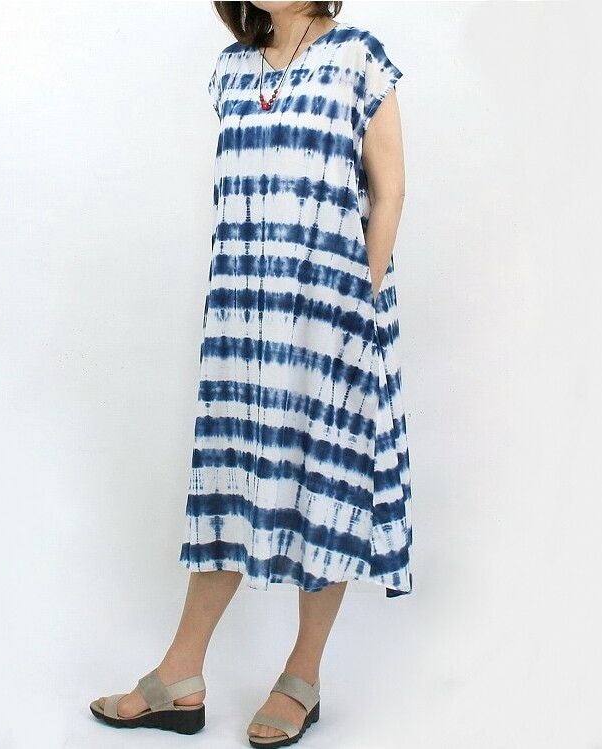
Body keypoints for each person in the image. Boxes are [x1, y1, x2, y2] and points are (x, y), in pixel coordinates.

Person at [90, 2, 413, 745]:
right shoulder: (231, 71)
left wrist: (358, 299)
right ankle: (181, 673)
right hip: (243, 319)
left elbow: (390, 188)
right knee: (228, 482)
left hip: (331, 308)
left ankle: (303, 674)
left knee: (325, 481)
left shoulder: (359, 57)